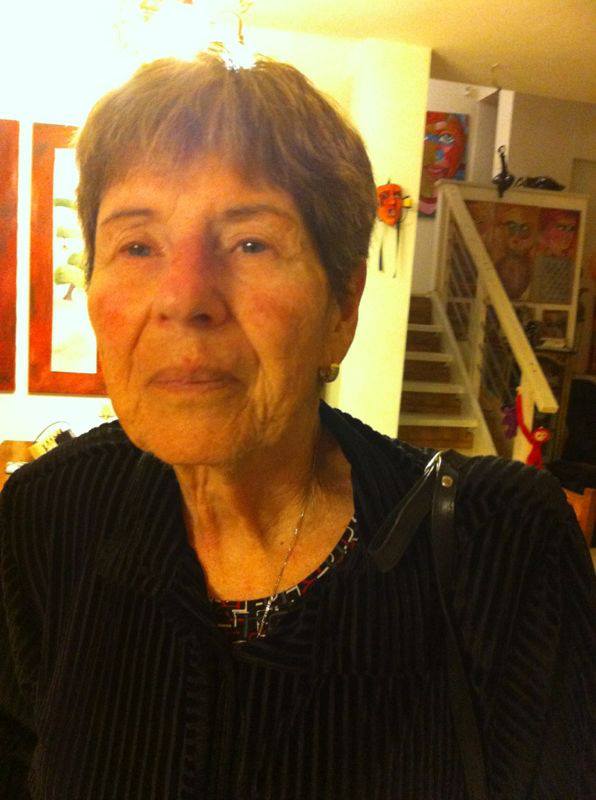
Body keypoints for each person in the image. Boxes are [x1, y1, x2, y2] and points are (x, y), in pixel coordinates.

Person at [1, 54, 594, 800]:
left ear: (342, 306)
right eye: (138, 245)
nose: (184, 298)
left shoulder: (503, 546)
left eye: (250, 243)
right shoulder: (45, 517)